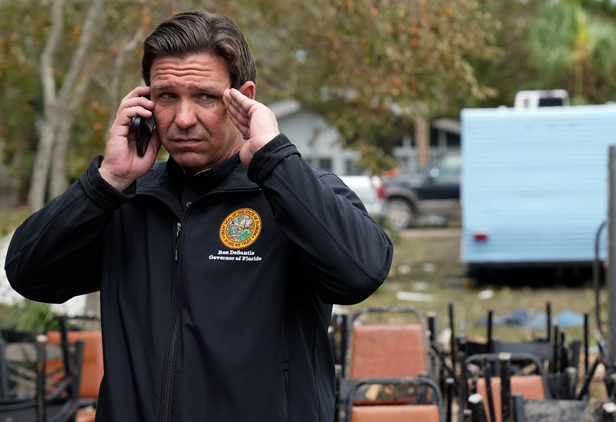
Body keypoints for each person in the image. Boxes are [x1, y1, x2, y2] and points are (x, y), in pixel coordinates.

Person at [4, 10, 393, 421]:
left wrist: (275, 160)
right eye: (167, 96)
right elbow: (28, 274)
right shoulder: (125, 199)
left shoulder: (294, 191)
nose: (183, 119)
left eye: (204, 96)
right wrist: (107, 182)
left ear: (243, 97)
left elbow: (361, 273)